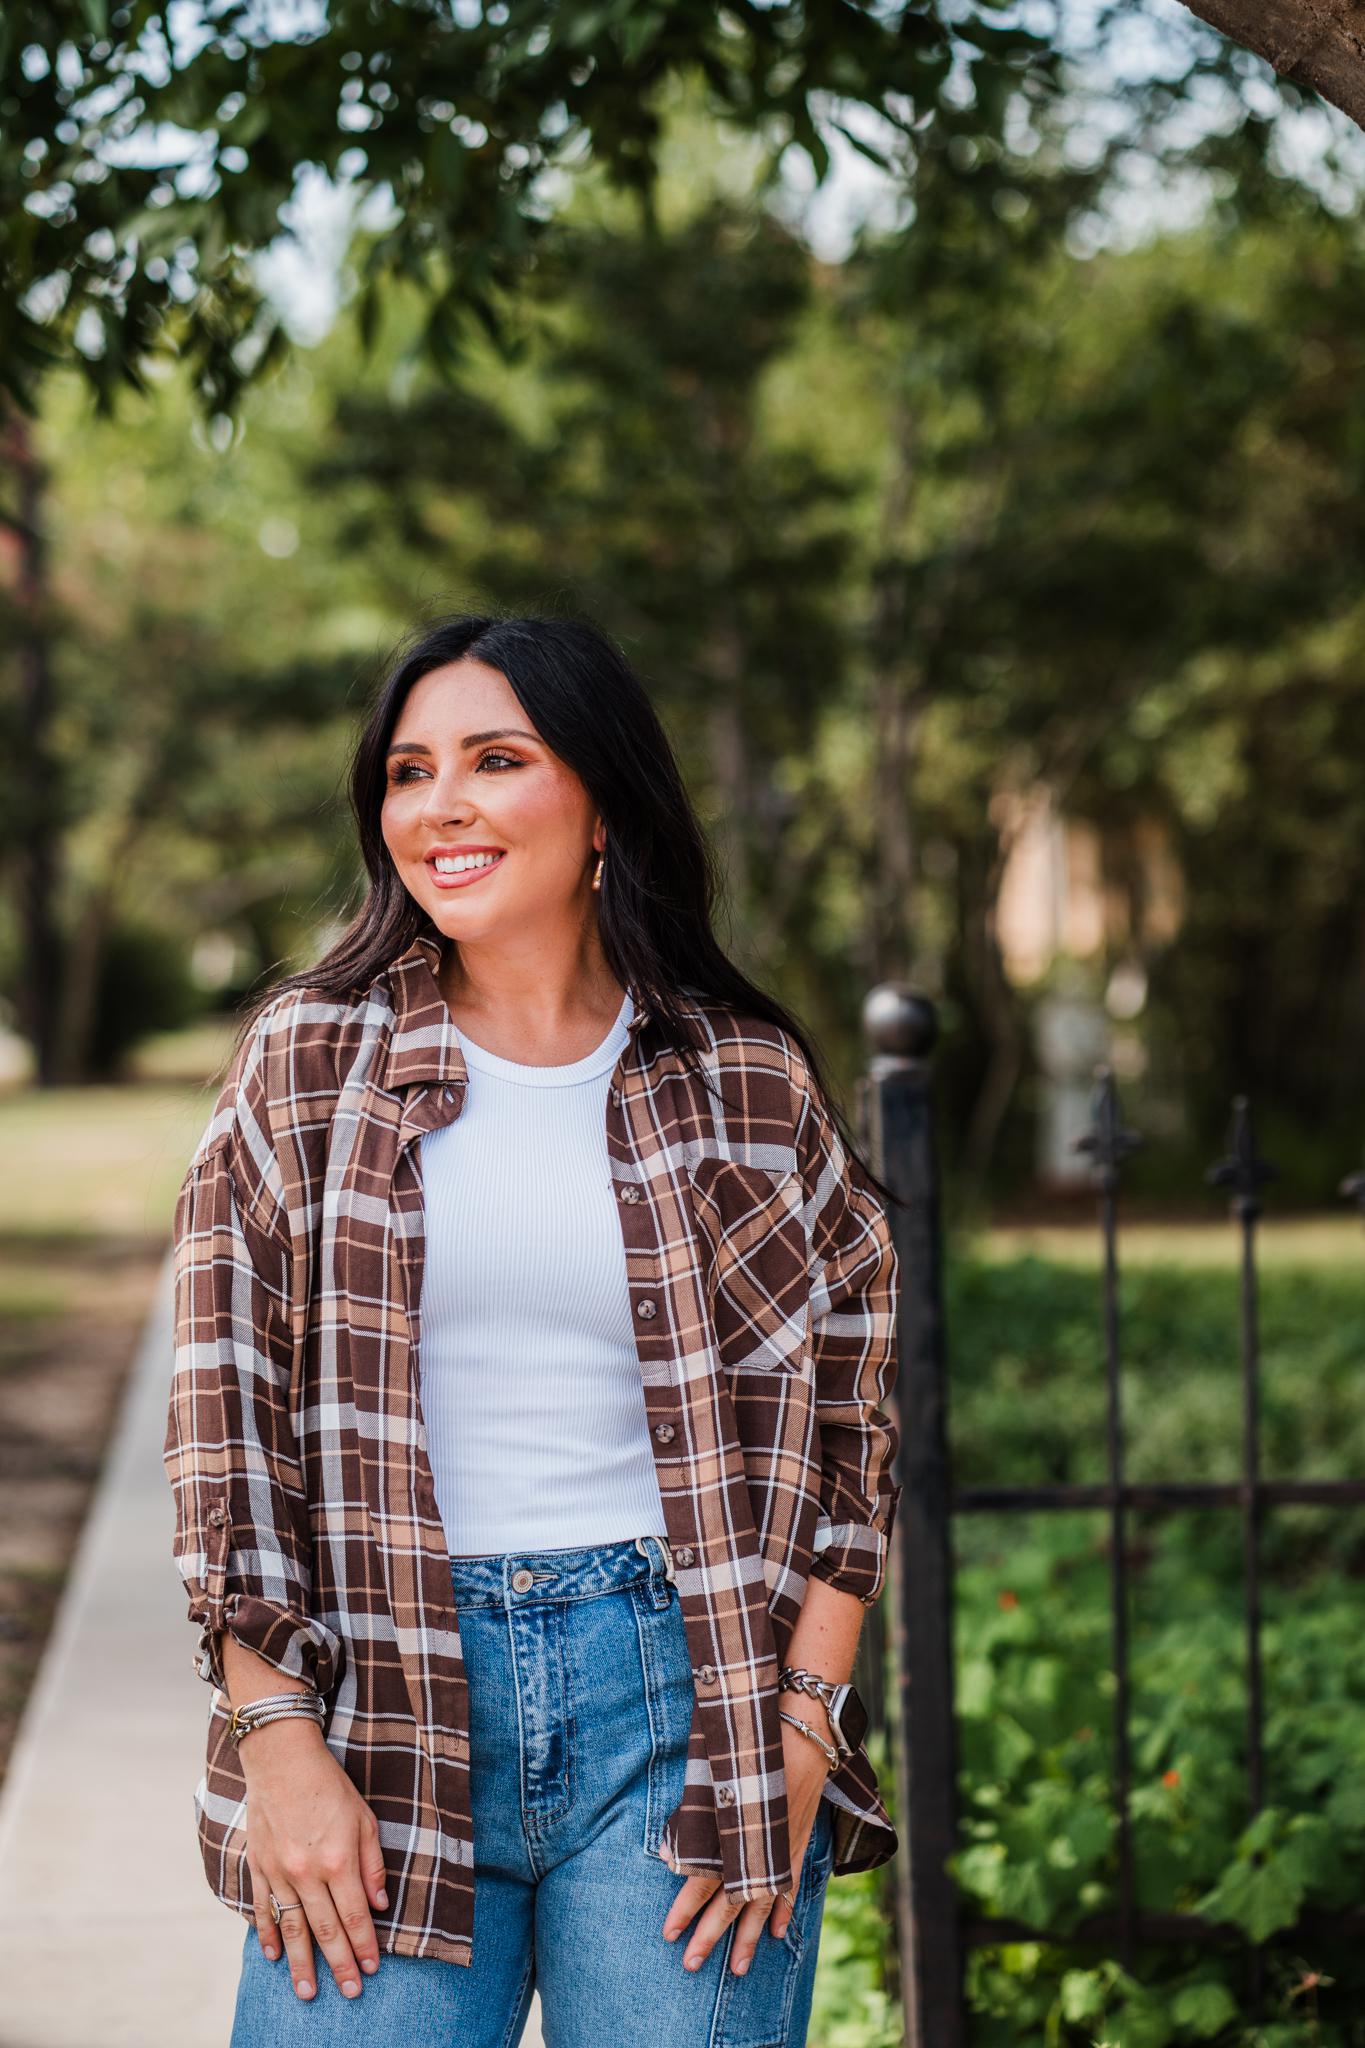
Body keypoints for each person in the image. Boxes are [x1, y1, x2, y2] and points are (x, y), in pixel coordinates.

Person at [164, 610, 903, 2046]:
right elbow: (222, 1427)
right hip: (382, 1696)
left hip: (687, 1707)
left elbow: (849, 1414)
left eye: (495, 760)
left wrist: (804, 1717)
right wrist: (278, 1740)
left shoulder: (740, 1074)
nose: (438, 805)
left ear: (604, 803)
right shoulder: (308, 1062)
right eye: (406, 770)